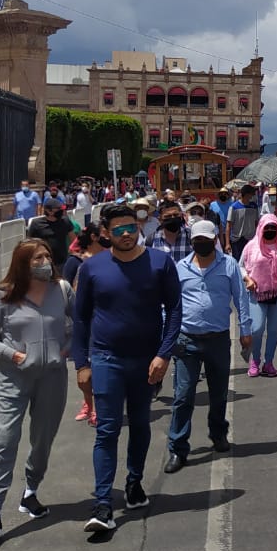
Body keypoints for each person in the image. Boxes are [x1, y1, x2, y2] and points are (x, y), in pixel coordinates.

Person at [73, 203, 182, 534]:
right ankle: (103, 503)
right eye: (118, 229)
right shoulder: (92, 269)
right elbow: (80, 318)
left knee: (139, 424)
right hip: (106, 358)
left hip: (146, 360)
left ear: (139, 228)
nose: (125, 234)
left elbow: (175, 310)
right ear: (105, 233)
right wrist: (82, 363)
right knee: (107, 429)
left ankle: (134, 482)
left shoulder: (160, 263)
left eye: (130, 228)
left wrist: (164, 354)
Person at [0, 240, 72, 540]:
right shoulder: (3, 296)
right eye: (37, 257)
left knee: (43, 439)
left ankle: (31, 490)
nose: (45, 261)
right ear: (22, 263)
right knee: (5, 439)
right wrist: (13, 355)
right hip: (12, 379)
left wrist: (66, 348)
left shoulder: (62, 289)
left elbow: (80, 322)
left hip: (52, 377)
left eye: (48, 256)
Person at [164, 221, 252, 473]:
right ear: (192, 242)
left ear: (215, 240)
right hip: (186, 339)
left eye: (206, 239)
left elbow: (241, 297)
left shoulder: (229, 265)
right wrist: (166, 337)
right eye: (197, 240)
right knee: (183, 395)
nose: (201, 244)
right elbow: (169, 305)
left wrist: (245, 330)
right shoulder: (180, 268)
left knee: (219, 391)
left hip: (218, 338)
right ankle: (178, 448)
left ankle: (218, 432)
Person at [240, 214, 277, 377]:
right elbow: (240, 266)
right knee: (257, 329)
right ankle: (255, 361)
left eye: (273, 227)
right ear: (261, 228)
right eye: (267, 227)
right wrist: (248, 278)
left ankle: (269, 363)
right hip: (256, 294)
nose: (270, 230)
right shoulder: (251, 246)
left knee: (273, 330)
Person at [62, 226, 106, 427]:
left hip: (102, 319)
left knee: (97, 367)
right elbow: (66, 288)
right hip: (81, 320)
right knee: (82, 373)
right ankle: (87, 403)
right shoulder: (76, 261)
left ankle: (97, 408)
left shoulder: (109, 258)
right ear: (94, 237)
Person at [28, 198, 75, 270]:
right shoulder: (36, 224)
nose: (61, 211)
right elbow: (30, 244)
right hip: (44, 263)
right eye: (58, 209)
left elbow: (73, 239)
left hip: (62, 262)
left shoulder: (65, 221)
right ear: (49, 211)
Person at [227, 185, 261, 258]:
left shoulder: (254, 206)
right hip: (237, 240)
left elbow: (256, 223)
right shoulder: (234, 207)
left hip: (250, 239)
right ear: (246, 194)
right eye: (251, 194)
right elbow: (229, 225)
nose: (253, 196)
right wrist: (227, 243)